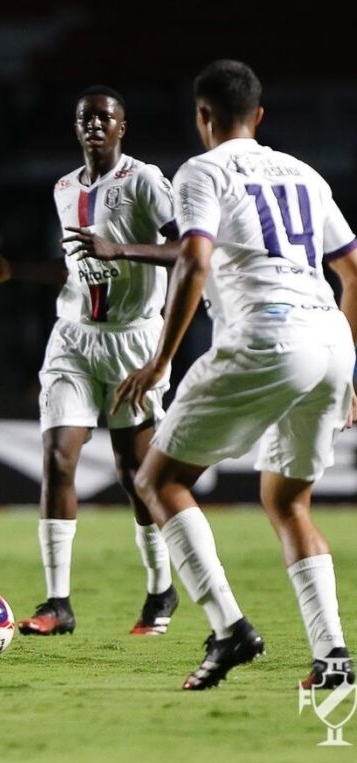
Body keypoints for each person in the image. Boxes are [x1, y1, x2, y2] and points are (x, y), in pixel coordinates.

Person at [114, 60, 357, 690]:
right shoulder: (305, 171)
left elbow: (193, 260)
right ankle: (332, 656)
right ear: (261, 117)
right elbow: (352, 269)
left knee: (159, 479)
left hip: (266, 334)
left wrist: (162, 359)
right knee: (288, 500)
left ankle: (229, 630)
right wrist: (348, 366)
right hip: (330, 340)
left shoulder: (203, 169)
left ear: (203, 117)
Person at [0, 86, 180, 637]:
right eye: (85, 118)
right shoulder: (65, 188)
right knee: (59, 459)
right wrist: (13, 272)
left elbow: (191, 251)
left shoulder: (146, 182)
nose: (95, 125)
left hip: (133, 339)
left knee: (136, 475)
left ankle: (161, 591)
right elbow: (77, 267)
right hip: (75, 339)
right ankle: (58, 603)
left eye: (105, 117)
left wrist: (122, 250)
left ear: (122, 127)